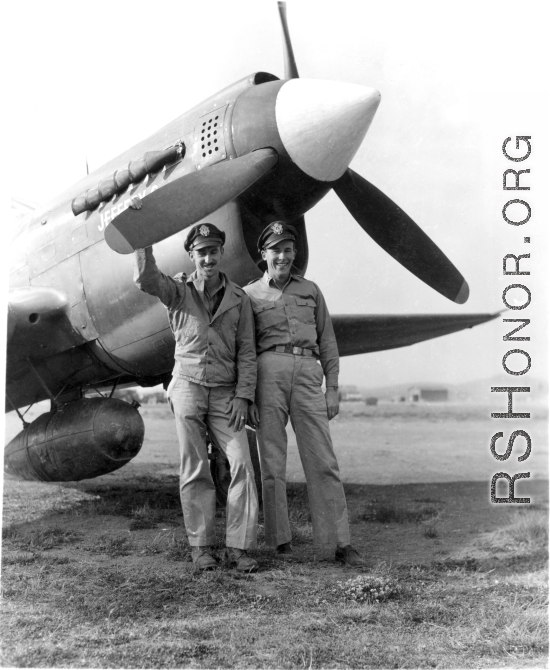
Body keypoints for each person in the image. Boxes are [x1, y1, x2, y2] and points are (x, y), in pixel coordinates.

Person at [134, 222, 259, 572]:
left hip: (225, 394)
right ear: (192, 255)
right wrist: (142, 241)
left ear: (221, 253)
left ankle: (239, 548)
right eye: (201, 252)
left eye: (213, 251)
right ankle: (201, 547)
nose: (208, 257)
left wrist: (244, 396)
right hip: (187, 386)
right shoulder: (177, 291)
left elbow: (247, 352)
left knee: (243, 466)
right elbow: (146, 280)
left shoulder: (239, 298)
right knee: (195, 468)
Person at [244, 221, 363, 567]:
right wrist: (248, 396)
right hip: (268, 374)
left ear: (295, 253)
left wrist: (334, 388)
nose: (282, 256)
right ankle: (280, 542)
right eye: (275, 250)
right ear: (263, 254)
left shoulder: (310, 291)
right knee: (271, 461)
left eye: (288, 249)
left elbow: (328, 341)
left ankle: (339, 543)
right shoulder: (249, 295)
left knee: (323, 460)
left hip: (308, 373)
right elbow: (245, 350)